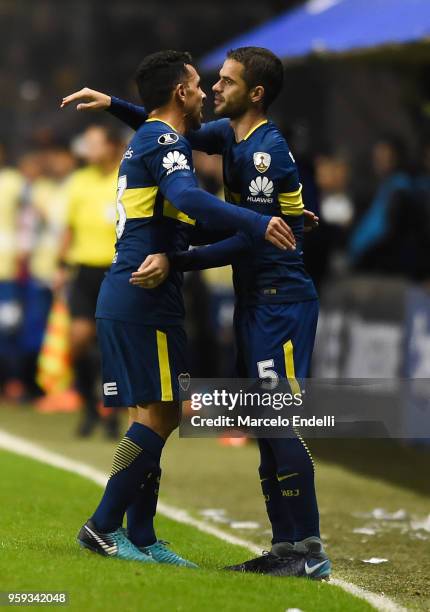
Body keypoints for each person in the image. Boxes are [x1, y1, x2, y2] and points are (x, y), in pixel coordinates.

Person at [63, 47, 331, 579]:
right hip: (201, 297)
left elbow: (247, 234)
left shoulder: (261, 153)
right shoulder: (222, 136)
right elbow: (171, 142)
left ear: (255, 94)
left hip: (277, 300)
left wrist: (194, 252)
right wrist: (118, 103)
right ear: (181, 91)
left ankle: (303, 549)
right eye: (204, 81)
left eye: (226, 82)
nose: (212, 88)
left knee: (265, 419)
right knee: (177, 415)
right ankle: (125, 528)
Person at [54, 125, 123, 438]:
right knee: (78, 340)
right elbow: (68, 228)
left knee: (114, 347)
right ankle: (90, 407)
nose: (87, 149)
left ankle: (113, 414)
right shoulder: (79, 181)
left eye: (94, 143)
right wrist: (59, 266)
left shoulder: (126, 177)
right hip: (84, 271)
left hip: (117, 271)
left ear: (111, 146)